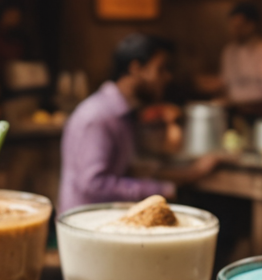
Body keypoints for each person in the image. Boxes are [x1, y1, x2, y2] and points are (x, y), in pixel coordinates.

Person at [58, 33, 220, 214]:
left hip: (106, 219)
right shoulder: (99, 116)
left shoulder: (124, 113)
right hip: (85, 224)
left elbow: (127, 171)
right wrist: (160, 190)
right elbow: (94, 185)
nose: (167, 77)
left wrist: (187, 175)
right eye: (161, 69)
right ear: (136, 68)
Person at [204, 1, 262, 113]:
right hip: (233, 109)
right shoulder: (229, 51)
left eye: (239, 26)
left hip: (259, 111)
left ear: (251, 25)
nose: (235, 30)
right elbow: (225, 83)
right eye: (233, 26)